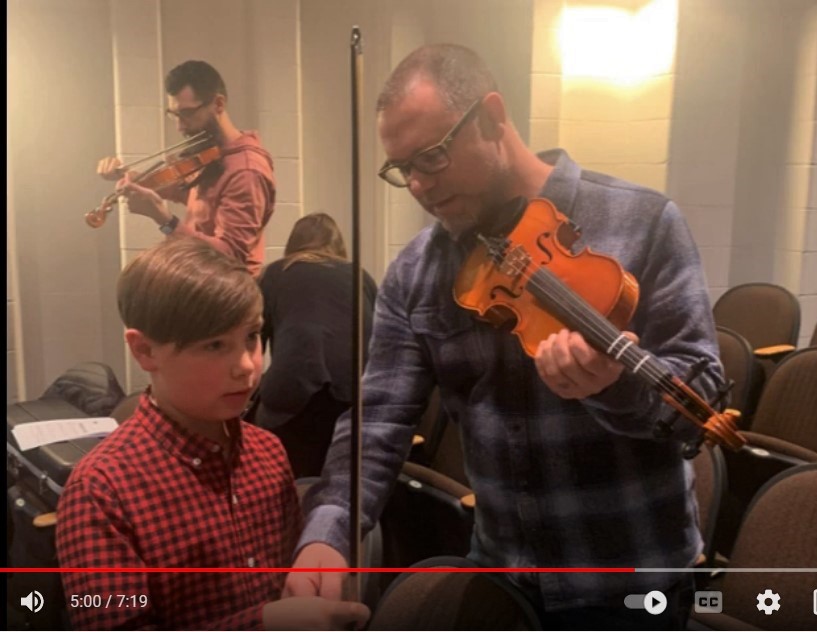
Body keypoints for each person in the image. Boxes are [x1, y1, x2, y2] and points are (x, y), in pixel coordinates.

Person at [284, 44, 725, 629]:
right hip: (503, 581)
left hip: (632, 584)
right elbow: (378, 421)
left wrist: (616, 385)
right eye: (402, 169)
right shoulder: (417, 271)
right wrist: (330, 528)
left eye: (432, 158)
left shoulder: (643, 223)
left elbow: (701, 402)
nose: (417, 184)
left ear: (492, 118)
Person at [55, 238, 369, 630]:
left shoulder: (268, 451)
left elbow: (287, 582)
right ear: (145, 351)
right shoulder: (101, 491)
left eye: (252, 337)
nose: (246, 366)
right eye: (216, 344)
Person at [97, 60, 275, 278]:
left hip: (225, 300)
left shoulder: (246, 171)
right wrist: (127, 176)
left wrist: (165, 220)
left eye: (187, 114)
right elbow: (184, 190)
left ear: (218, 104)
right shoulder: (212, 152)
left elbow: (231, 257)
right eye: (174, 115)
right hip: (202, 285)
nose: (180, 126)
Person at [255, 212, 377, 479]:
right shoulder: (360, 275)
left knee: (280, 465)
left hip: (296, 389)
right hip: (357, 393)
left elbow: (254, 340)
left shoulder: (276, 272)